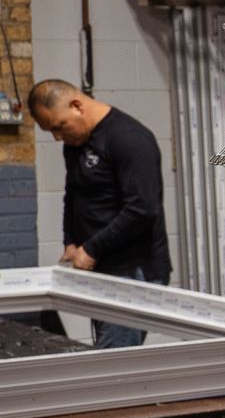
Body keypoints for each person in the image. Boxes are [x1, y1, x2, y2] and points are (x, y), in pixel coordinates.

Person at [27, 79, 171, 348]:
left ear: (77, 106)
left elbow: (142, 209)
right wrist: (70, 241)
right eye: (51, 131)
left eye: (59, 126)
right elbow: (74, 194)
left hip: (131, 271)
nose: (57, 137)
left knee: (114, 365)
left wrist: (91, 249)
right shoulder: (76, 142)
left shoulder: (129, 139)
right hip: (102, 268)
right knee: (108, 358)